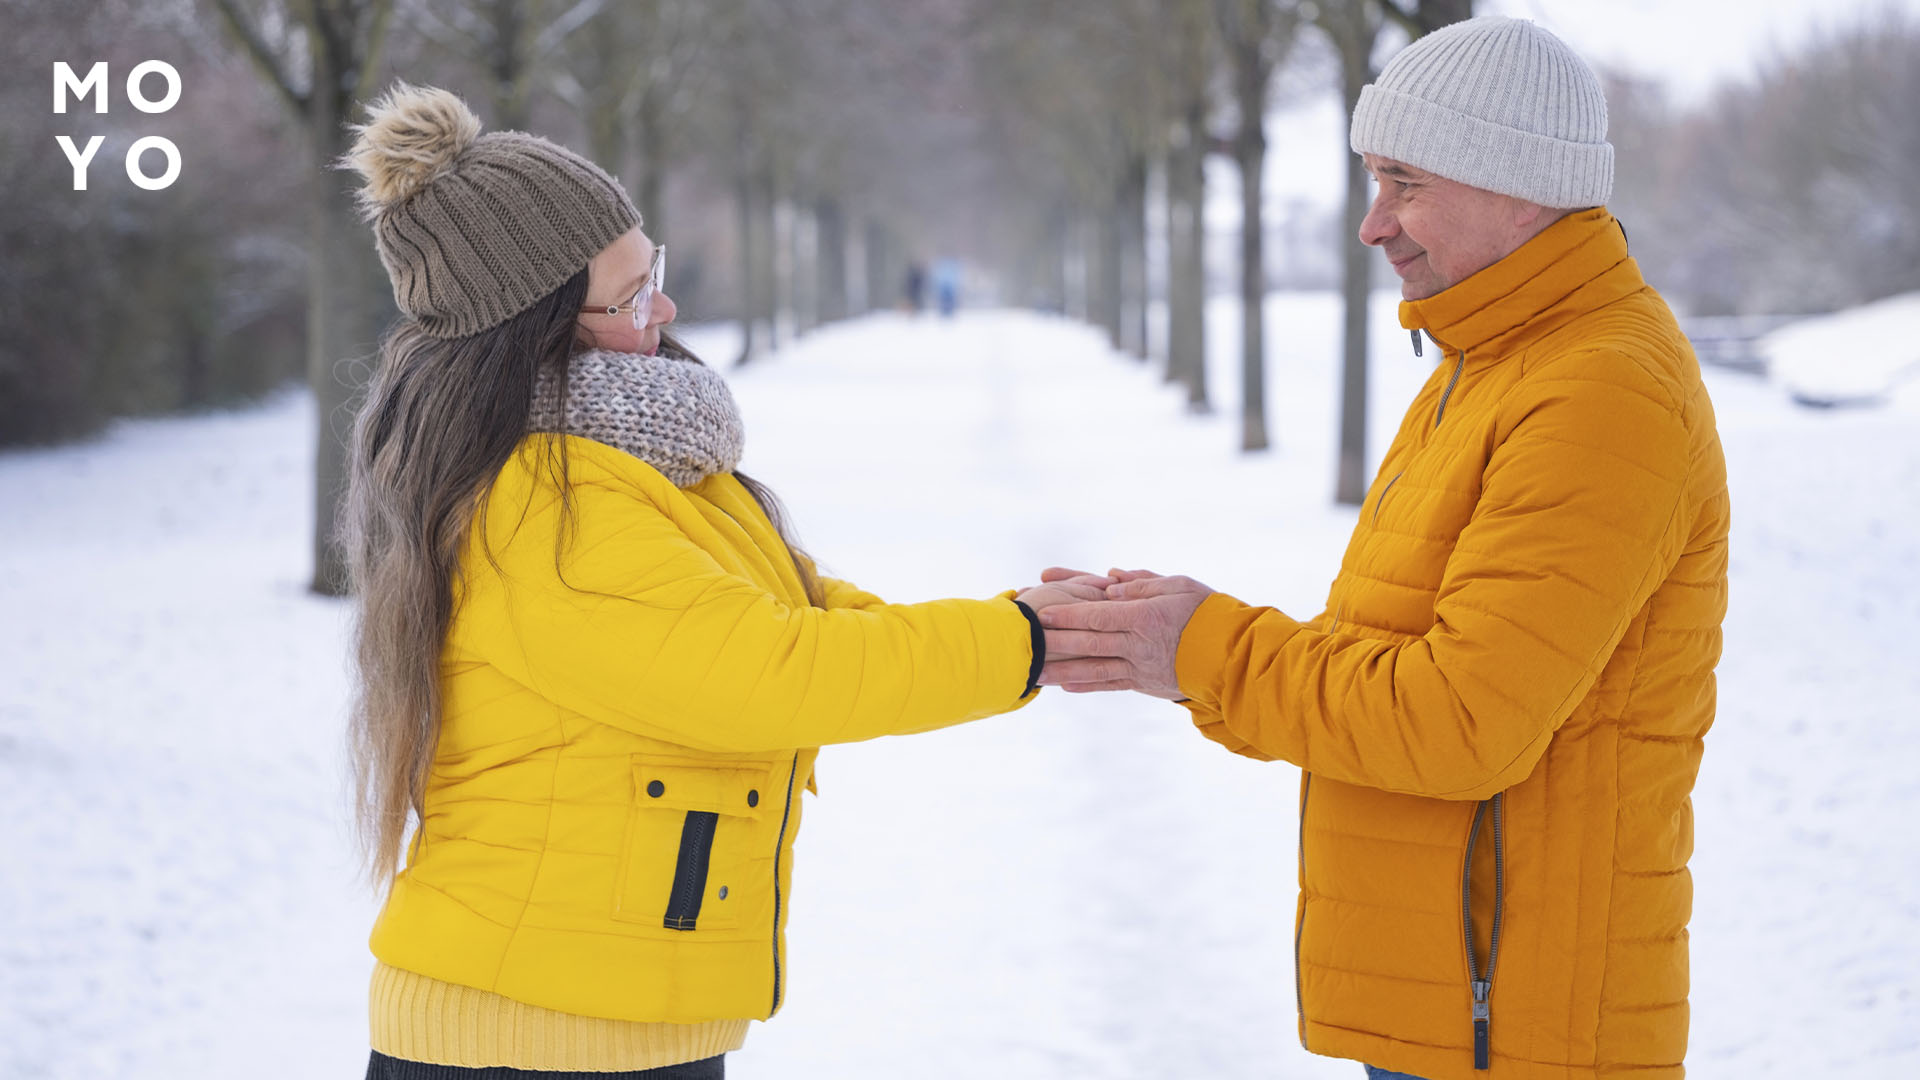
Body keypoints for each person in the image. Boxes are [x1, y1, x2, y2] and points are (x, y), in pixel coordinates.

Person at [338, 83, 1088, 1078]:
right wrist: (1023, 642)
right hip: (532, 1033)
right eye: (631, 293)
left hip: (605, 1014)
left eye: (656, 272)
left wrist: (1020, 629)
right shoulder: (539, 505)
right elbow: (771, 672)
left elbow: (799, 608)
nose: (668, 307)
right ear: (537, 327)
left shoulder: (632, 466)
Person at [1035, 17, 1728, 1080]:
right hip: (1463, 1008)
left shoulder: (1598, 393)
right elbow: (1408, 655)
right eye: (1373, 181)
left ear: (1519, 180)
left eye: (1403, 182)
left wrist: (1205, 651)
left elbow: (1461, 723)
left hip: (1520, 1029)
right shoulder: (1488, 364)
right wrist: (1182, 645)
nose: (1373, 225)